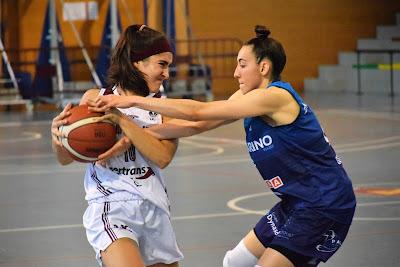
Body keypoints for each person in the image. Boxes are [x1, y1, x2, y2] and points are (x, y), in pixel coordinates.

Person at [89, 25, 357, 267]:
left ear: (263, 68)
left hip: (324, 203)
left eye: (242, 64)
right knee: (234, 262)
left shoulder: (276, 97)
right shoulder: (246, 98)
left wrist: (131, 102)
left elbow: (197, 112)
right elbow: (195, 126)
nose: (235, 72)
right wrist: (130, 134)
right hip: (296, 201)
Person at [51, 24, 184, 267]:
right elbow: (64, 158)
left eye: (169, 65)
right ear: (137, 62)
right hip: (111, 206)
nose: (167, 73)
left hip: (155, 208)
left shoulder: (164, 108)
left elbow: (162, 157)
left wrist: (122, 120)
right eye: (162, 64)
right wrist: (59, 137)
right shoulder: (95, 99)